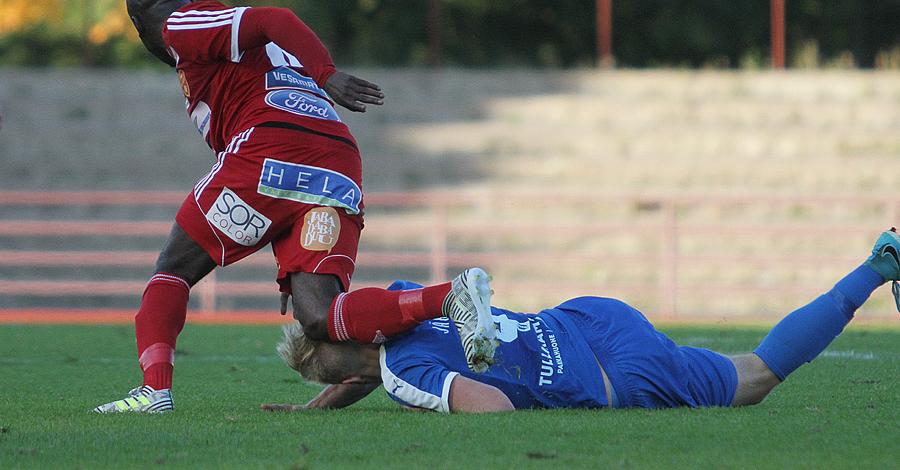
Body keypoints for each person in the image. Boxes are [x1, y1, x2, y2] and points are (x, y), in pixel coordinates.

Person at [93, 0, 497, 413]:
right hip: (336, 157)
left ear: (139, 24)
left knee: (171, 270)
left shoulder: (180, 23)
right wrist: (290, 257)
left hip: (270, 145)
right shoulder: (239, 62)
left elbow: (274, 18)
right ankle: (450, 295)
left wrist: (327, 74)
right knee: (319, 315)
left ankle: (154, 392)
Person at [264, 229, 900, 413]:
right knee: (743, 365)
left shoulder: (404, 374)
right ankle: (882, 261)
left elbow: (491, 408)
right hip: (592, 318)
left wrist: (427, 407)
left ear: (332, 365)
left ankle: (875, 269)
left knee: (757, 376)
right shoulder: (402, 302)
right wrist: (314, 409)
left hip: (609, 374)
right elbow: (366, 365)